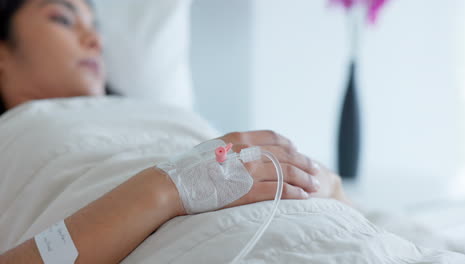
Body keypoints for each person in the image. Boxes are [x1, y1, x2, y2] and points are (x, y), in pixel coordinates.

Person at [0, 0, 353, 263]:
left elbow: (343, 202)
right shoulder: (12, 135)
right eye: (63, 19)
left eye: (96, 27)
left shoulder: (164, 113)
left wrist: (319, 182)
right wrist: (173, 186)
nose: (94, 40)